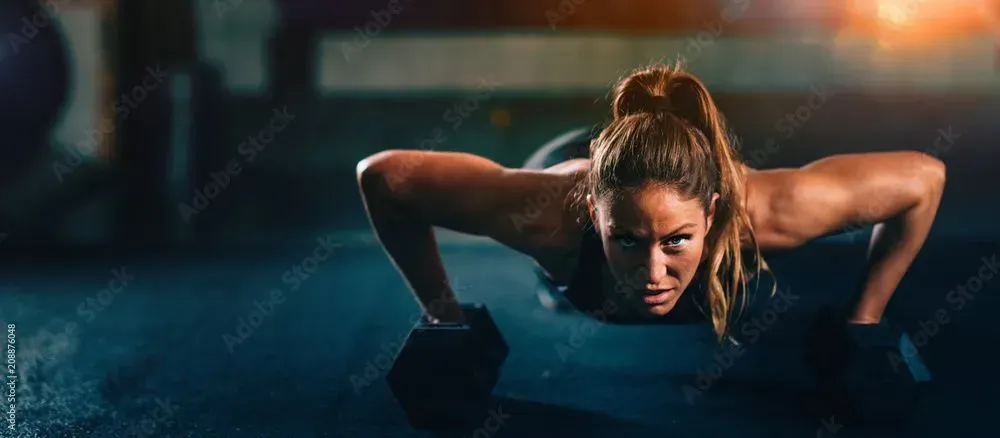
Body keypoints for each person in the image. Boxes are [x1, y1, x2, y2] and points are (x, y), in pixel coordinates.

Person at [356, 63, 946, 341]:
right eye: (629, 241)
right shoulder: (544, 215)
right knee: (562, 278)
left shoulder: (765, 212)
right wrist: (443, 316)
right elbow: (382, 176)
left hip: (665, 180)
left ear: (712, 215)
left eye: (677, 242)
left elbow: (924, 178)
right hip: (571, 164)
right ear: (595, 218)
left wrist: (864, 321)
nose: (654, 273)